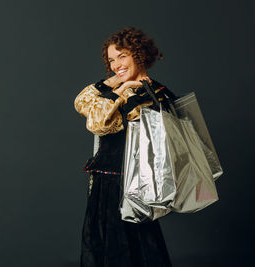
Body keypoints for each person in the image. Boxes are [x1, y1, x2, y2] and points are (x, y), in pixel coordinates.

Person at [74, 26, 174, 267]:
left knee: (134, 246)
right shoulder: (116, 89)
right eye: (111, 60)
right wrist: (120, 84)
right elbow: (83, 102)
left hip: (134, 184)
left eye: (122, 56)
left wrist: (125, 89)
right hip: (104, 181)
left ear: (138, 55)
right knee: (102, 243)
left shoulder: (154, 94)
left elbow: (100, 122)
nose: (116, 64)